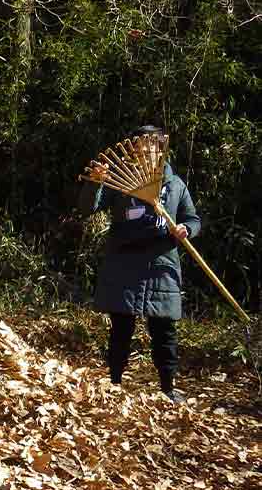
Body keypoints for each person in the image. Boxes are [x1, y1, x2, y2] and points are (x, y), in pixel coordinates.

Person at [81, 125, 202, 403]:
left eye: (149, 145)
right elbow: (88, 208)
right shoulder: (121, 182)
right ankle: (114, 382)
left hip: (162, 266)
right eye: (137, 145)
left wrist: (186, 229)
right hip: (124, 263)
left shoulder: (175, 184)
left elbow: (193, 219)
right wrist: (95, 182)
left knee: (165, 331)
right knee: (121, 328)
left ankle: (168, 387)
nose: (142, 150)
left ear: (160, 149)